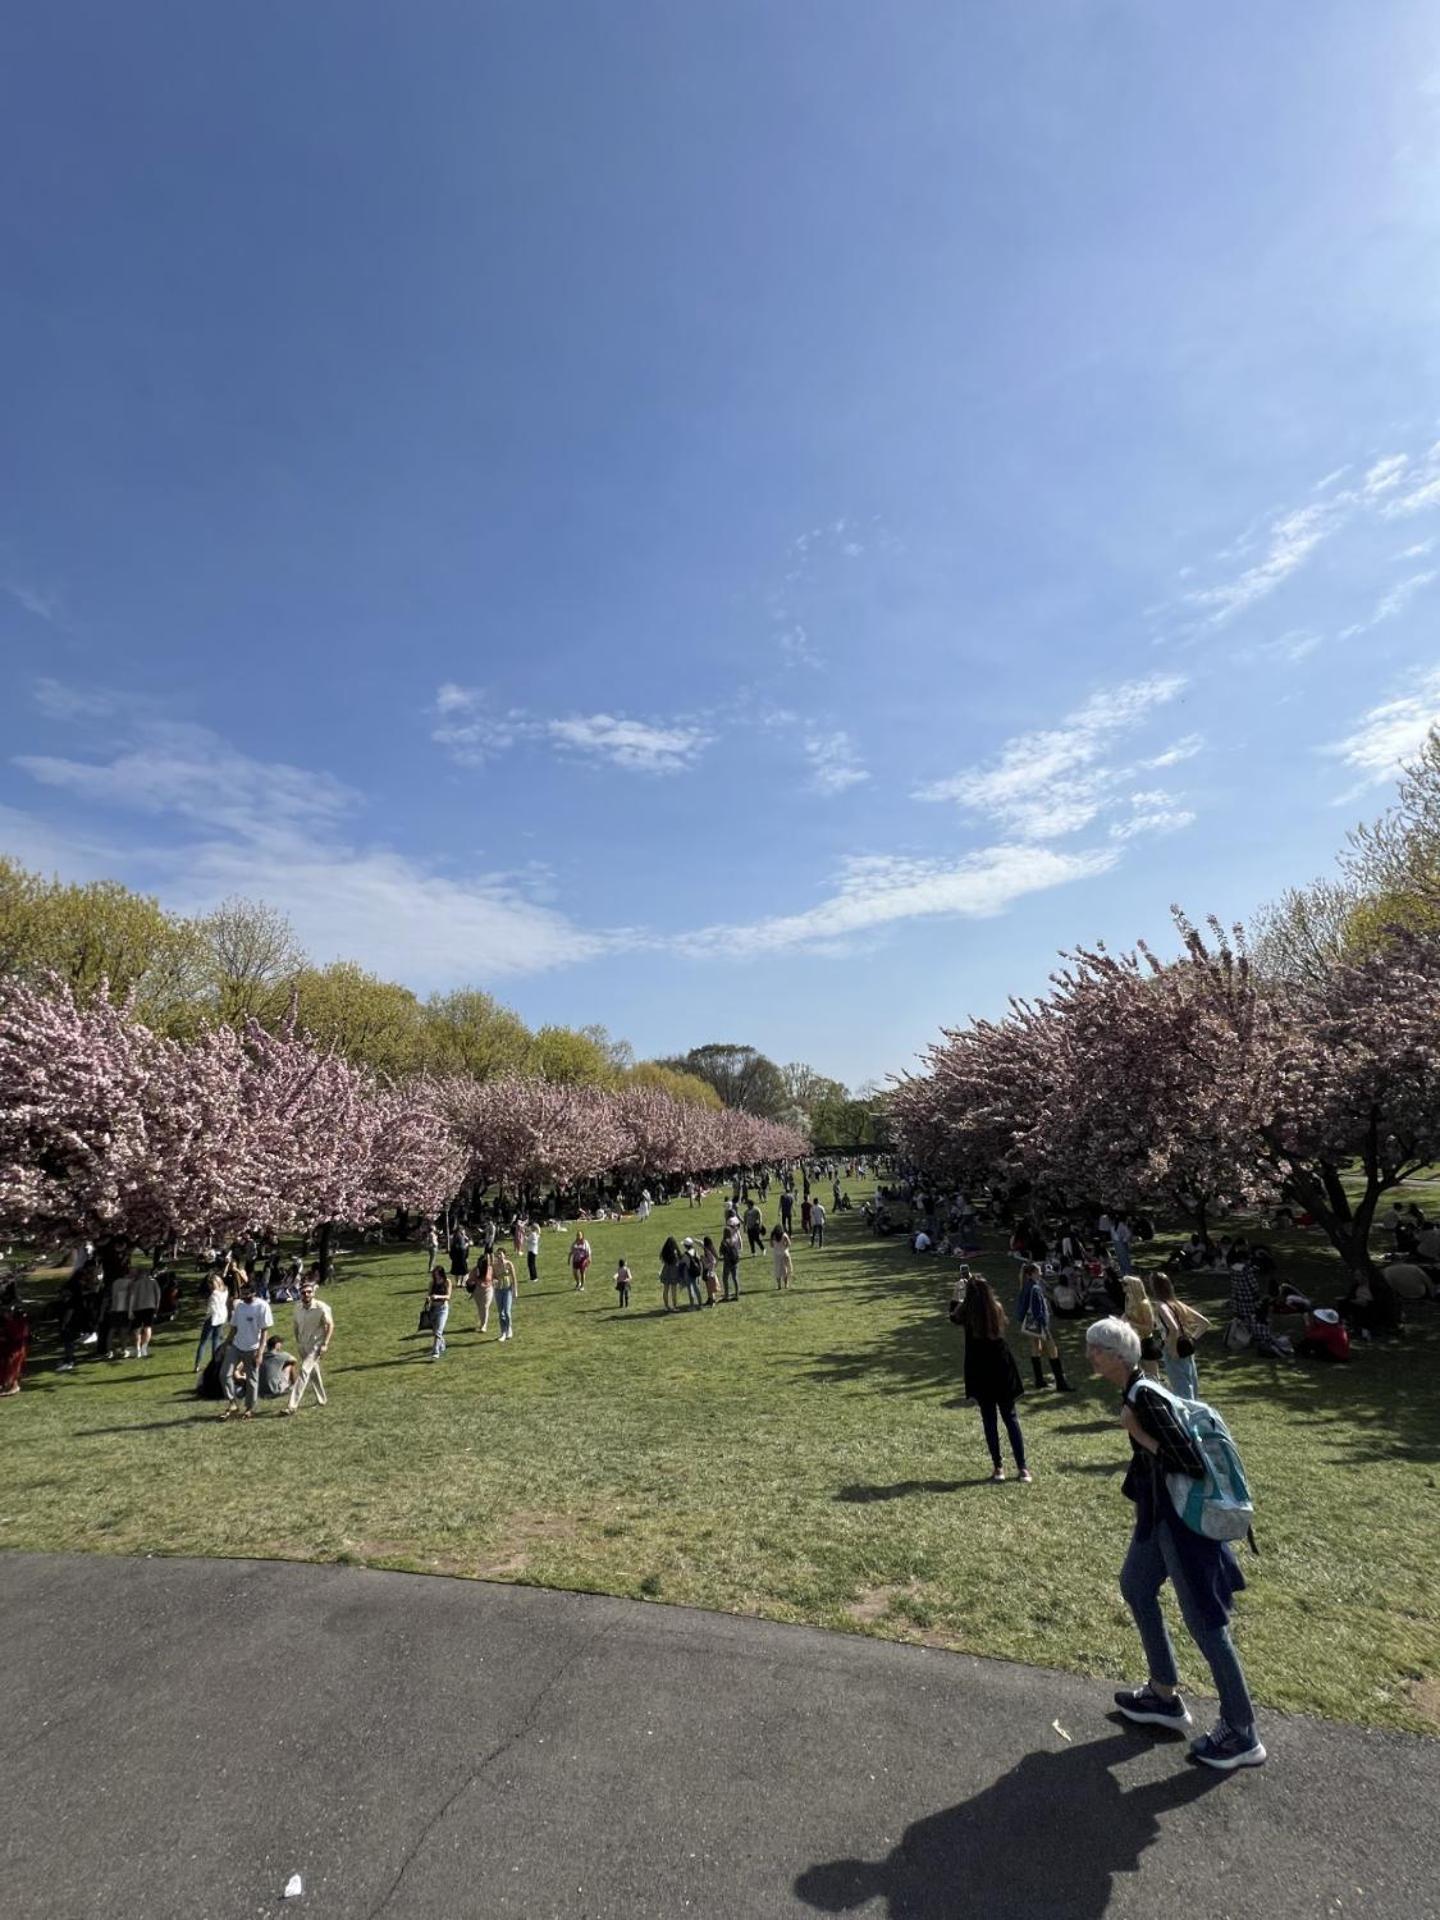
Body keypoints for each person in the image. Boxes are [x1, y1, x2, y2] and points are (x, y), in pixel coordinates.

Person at [1085, 1315, 1265, 1771]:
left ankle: (1241, 1732)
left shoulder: (1144, 1398)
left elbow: (1189, 1461)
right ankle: (1164, 1694)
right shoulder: (1136, 1391)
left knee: (1206, 1623)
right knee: (1136, 1586)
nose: (1089, 1355)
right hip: (1158, 1519)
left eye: (1096, 1348)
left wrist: (1137, 1432)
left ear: (1117, 1356)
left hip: (1182, 1527)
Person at [958, 1275, 1030, 1482]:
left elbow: (953, 1316)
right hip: (1001, 1366)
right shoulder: (996, 1308)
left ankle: (998, 1467)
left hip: (980, 1369)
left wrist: (957, 1294)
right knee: (1010, 1417)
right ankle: (1022, 1467)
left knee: (989, 1420)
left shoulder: (968, 1313)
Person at [220, 1274, 273, 1420]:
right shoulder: (240, 1307)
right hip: (237, 1346)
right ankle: (232, 1403)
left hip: (253, 1348)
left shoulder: (262, 1306)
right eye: (242, 1293)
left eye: (247, 1293)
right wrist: (226, 1344)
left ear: (254, 1293)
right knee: (224, 1374)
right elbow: (234, 1328)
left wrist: (260, 1353)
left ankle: (249, 1408)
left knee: (251, 1380)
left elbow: (264, 1332)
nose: (243, 1296)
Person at [1015, 1263, 1074, 1392]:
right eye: (1038, 1272)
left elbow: (1022, 1306)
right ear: (1031, 1274)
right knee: (1053, 1349)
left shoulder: (1025, 1286)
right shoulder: (1035, 1288)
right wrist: (1044, 1327)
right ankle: (1061, 1382)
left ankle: (1039, 1380)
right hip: (1039, 1324)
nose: (1040, 1274)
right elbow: (1038, 1311)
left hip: (1029, 1323)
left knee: (1036, 1348)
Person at [1151, 1273, 1209, 1400]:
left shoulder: (1161, 1306)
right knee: (1192, 1383)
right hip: (1186, 1346)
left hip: (1173, 1348)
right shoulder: (1177, 1304)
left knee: (1181, 1389)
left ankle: (1188, 1417)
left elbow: (1173, 1328)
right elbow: (1204, 1323)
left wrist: (1173, 1348)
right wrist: (1192, 1339)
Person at [283, 1272, 334, 1413]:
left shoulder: (322, 1307)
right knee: (313, 1372)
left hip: (316, 1345)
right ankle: (322, 1399)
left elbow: (330, 1325)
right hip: (302, 1344)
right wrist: (298, 1341)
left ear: (313, 1293)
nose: (306, 1294)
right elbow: (296, 1325)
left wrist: (325, 1344)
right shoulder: (297, 1307)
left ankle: (292, 1405)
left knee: (304, 1371)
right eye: (303, 1292)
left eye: (308, 1292)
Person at [1121, 1276, 1161, 1379]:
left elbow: (1150, 1328)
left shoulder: (1144, 1304)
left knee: (1153, 1377)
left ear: (1134, 1286)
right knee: (1139, 1375)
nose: (1122, 1286)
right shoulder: (1128, 1299)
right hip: (1134, 1340)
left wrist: (1130, 1322)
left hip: (1146, 1341)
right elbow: (1128, 1316)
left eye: (1125, 1284)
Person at [194, 1270, 231, 1375]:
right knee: (216, 1341)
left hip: (212, 1318)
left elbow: (210, 1309)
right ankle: (215, 1364)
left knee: (203, 1342)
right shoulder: (225, 1290)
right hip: (222, 1317)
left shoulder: (214, 1294)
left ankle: (197, 1365)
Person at [0, 1279, 30, 1397]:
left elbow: (19, 1331)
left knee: (13, 1363)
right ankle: (6, 1384)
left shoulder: (15, 1310)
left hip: (15, 1341)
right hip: (7, 1340)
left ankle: (14, 1385)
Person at [129, 1265, 161, 1360]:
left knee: (137, 1329)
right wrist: (157, 1307)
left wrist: (130, 1311)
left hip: (137, 1307)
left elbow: (132, 1297)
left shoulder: (135, 1283)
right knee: (148, 1327)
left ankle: (138, 1350)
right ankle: (144, 1347)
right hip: (150, 1306)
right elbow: (158, 1295)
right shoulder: (153, 1282)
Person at [426, 1264, 452, 1360]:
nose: (436, 1276)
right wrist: (429, 1298)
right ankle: (442, 1344)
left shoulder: (447, 1282)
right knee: (435, 1331)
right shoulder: (432, 1283)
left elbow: (448, 1296)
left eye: (438, 1274)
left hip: (443, 1309)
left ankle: (435, 1351)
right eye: (435, 1274)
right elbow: (429, 1294)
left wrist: (438, 1296)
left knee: (438, 1331)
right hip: (433, 1308)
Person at [493, 1247, 517, 1342]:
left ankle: (509, 1329)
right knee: (501, 1312)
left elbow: (514, 1278)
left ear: (504, 1255)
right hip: (498, 1290)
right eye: (498, 1254)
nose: (499, 1256)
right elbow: (493, 1277)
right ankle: (503, 1332)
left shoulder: (509, 1264)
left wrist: (515, 1291)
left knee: (507, 1311)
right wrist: (494, 1280)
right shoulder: (494, 1266)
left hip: (507, 1290)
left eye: (501, 1254)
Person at [472, 1249, 495, 1332]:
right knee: (480, 1308)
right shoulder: (476, 1270)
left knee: (485, 1307)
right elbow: (470, 1279)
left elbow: (495, 1277)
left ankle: (484, 1325)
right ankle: (482, 1323)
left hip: (488, 1290)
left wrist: (495, 1281)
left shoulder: (491, 1269)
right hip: (477, 1290)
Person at [721, 1216, 743, 1301]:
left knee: (725, 1278)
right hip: (735, 1259)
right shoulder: (735, 1236)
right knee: (735, 1277)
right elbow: (739, 1245)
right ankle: (737, 1294)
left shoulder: (724, 1242)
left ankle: (726, 1295)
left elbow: (722, 1252)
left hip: (727, 1261)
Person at [659, 1234, 682, 1312]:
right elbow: (679, 1259)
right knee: (673, 1290)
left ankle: (666, 1306)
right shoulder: (675, 1251)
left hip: (666, 1270)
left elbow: (662, 1259)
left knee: (665, 1289)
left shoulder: (665, 1251)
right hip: (673, 1271)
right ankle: (674, 1306)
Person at [770, 1223, 793, 1292]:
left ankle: (779, 1285)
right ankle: (786, 1284)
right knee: (785, 1269)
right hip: (784, 1253)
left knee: (777, 1270)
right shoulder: (784, 1235)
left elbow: (771, 1245)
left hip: (776, 1254)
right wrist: (785, 1247)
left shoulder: (773, 1236)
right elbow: (789, 1243)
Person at [681, 1238, 703, 1309]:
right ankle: (700, 1304)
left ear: (686, 1246)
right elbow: (699, 1259)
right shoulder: (695, 1251)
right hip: (696, 1271)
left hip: (689, 1272)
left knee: (690, 1290)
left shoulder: (685, 1254)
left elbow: (681, 1262)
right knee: (697, 1288)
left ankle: (692, 1306)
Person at [701, 1235, 720, 1305]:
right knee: (709, 1288)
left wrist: (703, 1260)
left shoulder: (708, 1252)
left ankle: (712, 1302)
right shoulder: (712, 1249)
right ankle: (710, 1300)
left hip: (709, 1273)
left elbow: (711, 1263)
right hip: (711, 1272)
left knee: (710, 1288)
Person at [525, 1219, 541, 1284]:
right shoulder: (534, 1234)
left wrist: (526, 1238)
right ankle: (533, 1277)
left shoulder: (533, 1234)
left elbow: (533, 1241)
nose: (530, 1228)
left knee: (531, 1265)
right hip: (532, 1250)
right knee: (531, 1264)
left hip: (532, 1251)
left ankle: (534, 1278)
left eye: (531, 1227)